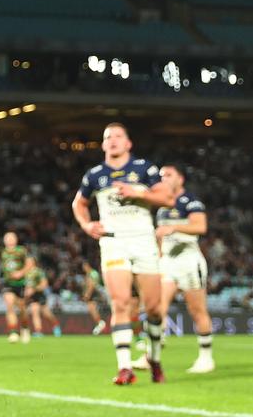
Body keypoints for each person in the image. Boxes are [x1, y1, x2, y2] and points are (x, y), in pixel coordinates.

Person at [71, 122, 175, 386]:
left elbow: (167, 198)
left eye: (118, 136)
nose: (113, 140)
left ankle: (154, 358)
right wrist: (86, 224)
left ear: (128, 143)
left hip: (143, 241)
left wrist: (139, 192)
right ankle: (125, 367)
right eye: (108, 137)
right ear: (104, 145)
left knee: (152, 308)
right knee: (121, 303)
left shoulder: (144, 169)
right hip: (113, 242)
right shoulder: (95, 175)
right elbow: (79, 203)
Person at [154, 164, 214, 374]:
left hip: (189, 260)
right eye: (161, 175)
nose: (164, 178)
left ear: (180, 178)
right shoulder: (161, 208)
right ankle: (152, 355)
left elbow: (200, 227)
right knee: (157, 308)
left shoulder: (191, 202)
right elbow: (161, 236)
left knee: (197, 311)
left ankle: (206, 357)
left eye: (168, 174)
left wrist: (175, 227)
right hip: (168, 262)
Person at [24, 265, 59, 338]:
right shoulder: (25, 272)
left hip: (40, 295)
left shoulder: (38, 272)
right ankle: (38, 331)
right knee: (34, 311)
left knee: (46, 313)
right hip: (32, 297)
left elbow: (44, 285)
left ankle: (56, 325)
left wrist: (34, 289)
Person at [81, 260, 108, 335]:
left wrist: (87, 295)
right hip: (94, 293)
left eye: (84, 266)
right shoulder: (89, 274)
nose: (83, 268)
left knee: (92, 308)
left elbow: (92, 285)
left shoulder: (93, 273)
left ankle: (101, 323)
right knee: (91, 309)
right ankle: (100, 324)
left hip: (95, 293)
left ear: (88, 265)